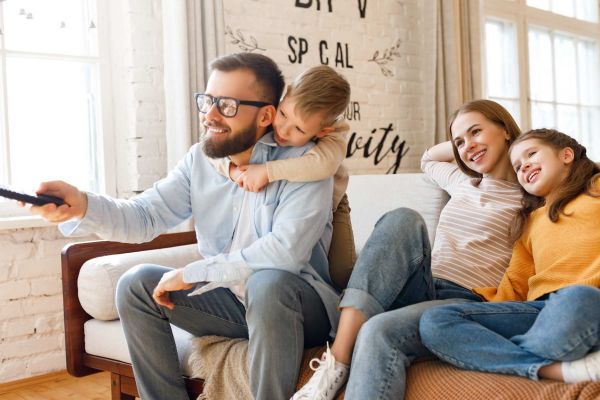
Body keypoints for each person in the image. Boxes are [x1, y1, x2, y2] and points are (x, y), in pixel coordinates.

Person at [28, 53, 341, 400]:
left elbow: (285, 254)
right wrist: (82, 205)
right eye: (207, 101)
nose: (209, 115)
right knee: (135, 285)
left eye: (226, 105)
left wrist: (194, 272)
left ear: (266, 114)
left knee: (268, 283)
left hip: (296, 306)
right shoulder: (201, 161)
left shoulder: (305, 165)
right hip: (233, 302)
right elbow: (145, 217)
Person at [292, 99, 523, 400]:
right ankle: (336, 361)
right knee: (404, 218)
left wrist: (522, 145)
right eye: (459, 141)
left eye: (477, 132)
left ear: (506, 130)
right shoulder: (463, 181)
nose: (468, 146)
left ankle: (342, 348)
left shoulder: (529, 194)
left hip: (463, 299)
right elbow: (428, 158)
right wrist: (467, 143)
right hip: (421, 283)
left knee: (378, 331)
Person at [419, 128, 600, 383]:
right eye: (517, 167)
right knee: (436, 321)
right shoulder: (529, 223)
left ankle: (504, 357)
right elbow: (514, 284)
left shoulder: (596, 188)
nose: (524, 166)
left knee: (577, 297)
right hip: (538, 311)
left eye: (532, 154)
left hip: (587, 301)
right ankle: (554, 369)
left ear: (566, 155)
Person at [208, 65, 356, 289]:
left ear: (321, 132)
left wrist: (268, 171)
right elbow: (212, 149)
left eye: (299, 129)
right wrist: (233, 170)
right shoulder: (269, 113)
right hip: (281, 198)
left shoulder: (334, 135)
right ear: (285, 96)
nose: (284, 131)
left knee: (341, 273)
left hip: (332, 205)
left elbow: (321, 166)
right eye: (284, 114)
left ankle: (350, 311)